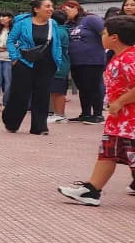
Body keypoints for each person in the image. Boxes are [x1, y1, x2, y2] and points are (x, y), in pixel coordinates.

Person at [58, 16, 135, 206]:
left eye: (105, 33)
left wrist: (119, 103)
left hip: (130, 122)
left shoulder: (130, 59)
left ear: (115, 37)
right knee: (107, 154)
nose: (102, 36)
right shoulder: (118, 57)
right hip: (119, 123)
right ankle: (92, 190)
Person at [3, 0, 69, 135]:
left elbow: (56, 43)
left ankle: (39, 127)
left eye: (51, 6)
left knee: (42, 96)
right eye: (47, 6)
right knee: (20, 95)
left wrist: (57, 60)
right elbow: (11, 40)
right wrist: (15, 58)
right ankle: (11, 122)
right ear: (36, 9)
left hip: (46, 64)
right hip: (24, 63)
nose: (51, 9)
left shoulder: (53, 24)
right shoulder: (22, 23)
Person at [61, 0, 107, 124]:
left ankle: (98, 114)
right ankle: (85, 113)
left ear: (76, 8)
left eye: (67, 9)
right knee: (83, 88)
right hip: (76, 61)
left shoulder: (90, 19)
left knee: (93, 87)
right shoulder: (70, 24)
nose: (66, 13)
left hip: (93, 60)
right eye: (63, 11)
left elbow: (104, 32)